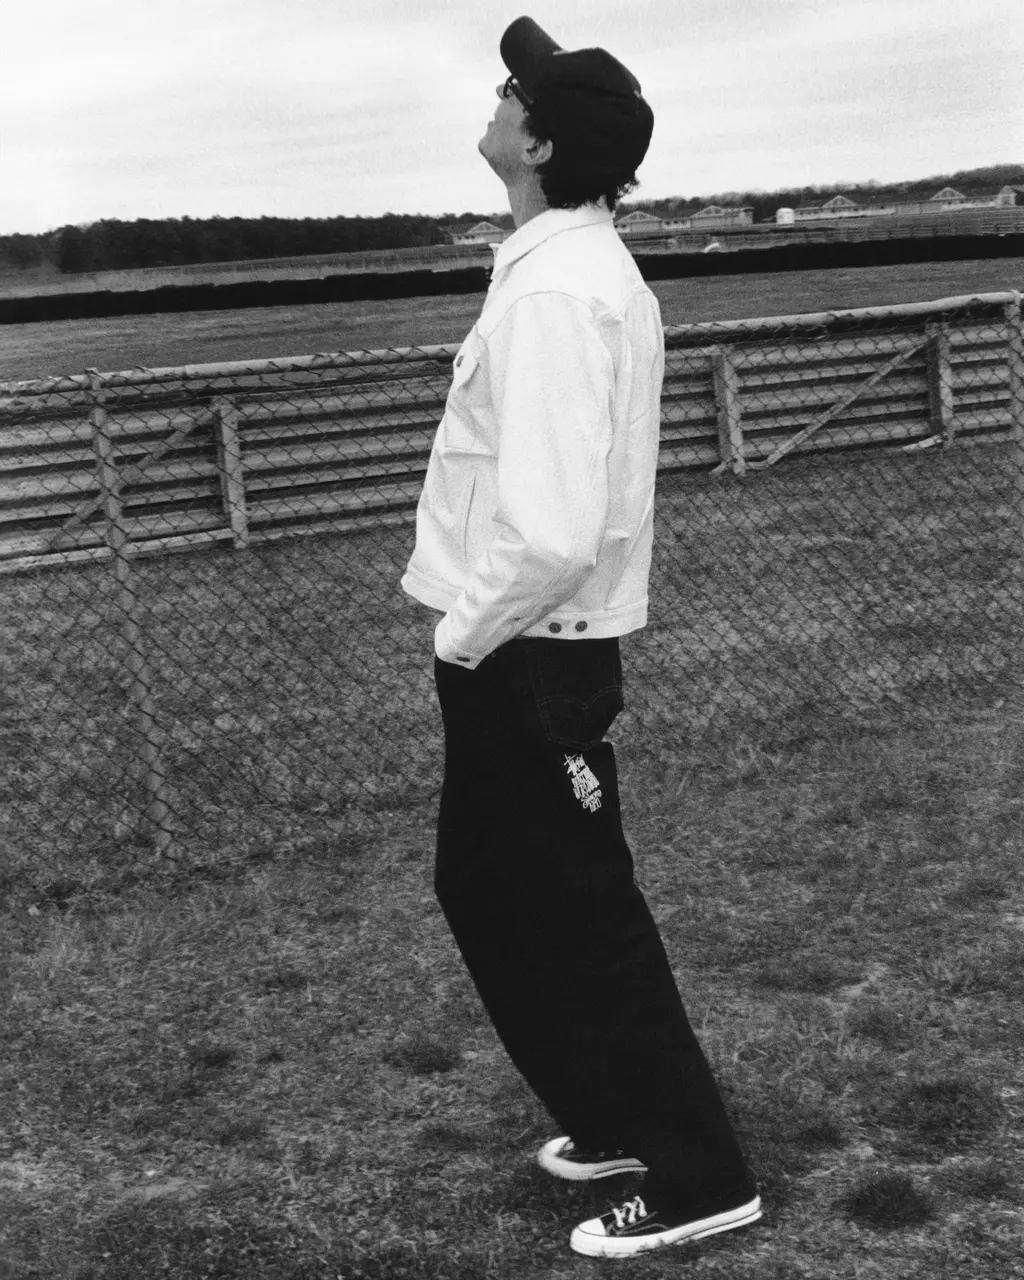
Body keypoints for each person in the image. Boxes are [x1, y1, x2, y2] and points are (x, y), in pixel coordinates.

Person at [400, 15, 761, 1259]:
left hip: (523, 647)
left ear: (541, 143)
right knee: (488, 888)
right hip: (518, 644)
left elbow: (551, 529)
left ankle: (701, 1172)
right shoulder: (555, 268)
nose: (498, 99)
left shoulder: (558, 292)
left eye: (516, 91)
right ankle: (613, 1116)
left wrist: (462, 635)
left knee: (580, 914)